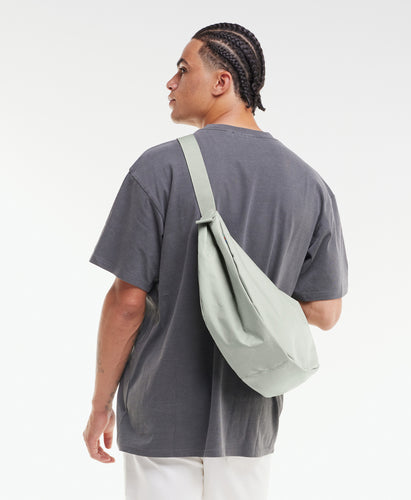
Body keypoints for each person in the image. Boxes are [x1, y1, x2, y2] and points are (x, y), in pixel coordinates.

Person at [82, 22, 348, 500]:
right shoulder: (310, 186)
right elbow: (326, 312)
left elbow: (126, 303)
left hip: (160, 417)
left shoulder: (159, 169)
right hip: (249, 424)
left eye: (183, 70)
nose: (171, 82)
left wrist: (101, 404)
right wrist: (252, 302)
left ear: (222, 82)